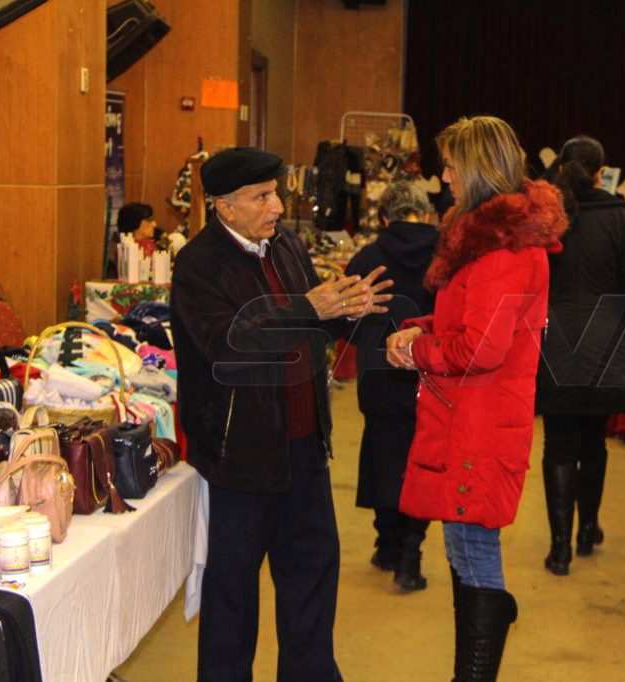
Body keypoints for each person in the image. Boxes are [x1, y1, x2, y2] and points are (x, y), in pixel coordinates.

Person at [170, 146, 392, 681]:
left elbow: (307, 325)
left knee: (312, 581)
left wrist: (345, 312)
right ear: (223, 206)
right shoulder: (199, 264)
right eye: (261, 197)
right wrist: (309, 308)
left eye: (275, 193)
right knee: (232, 599)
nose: (276, 206)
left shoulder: (286, 245)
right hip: (240, 458)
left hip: (304, 448)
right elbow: (226, 345)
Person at [385, 116, 567, 680]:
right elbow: (474, 326)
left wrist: (419, 351)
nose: (444, 177)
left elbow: (481, 348)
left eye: (451, 166)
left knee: (472, 551)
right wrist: (420, 332)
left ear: (478, 169)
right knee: (466, 550)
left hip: (478, 423)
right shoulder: (492, 241)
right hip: (472, 417)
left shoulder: (500, 250)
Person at [534, 136, 625, 576]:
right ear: (601, 173)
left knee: (558, 444)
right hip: (606, 346)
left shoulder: (544, 216)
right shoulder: (622, 218)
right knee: (593, 442)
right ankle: (587, 529)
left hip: (551, 345)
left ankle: (559, 549)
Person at [345, 180, 438, 592]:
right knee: (424, 462)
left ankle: (386, 545)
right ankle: (410, 553)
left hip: (380, 372)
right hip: (431, 371)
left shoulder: (368, 258)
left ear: (384, 218)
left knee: (383, 458)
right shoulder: (445, 255)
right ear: (425, 213)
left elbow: (345, 314)